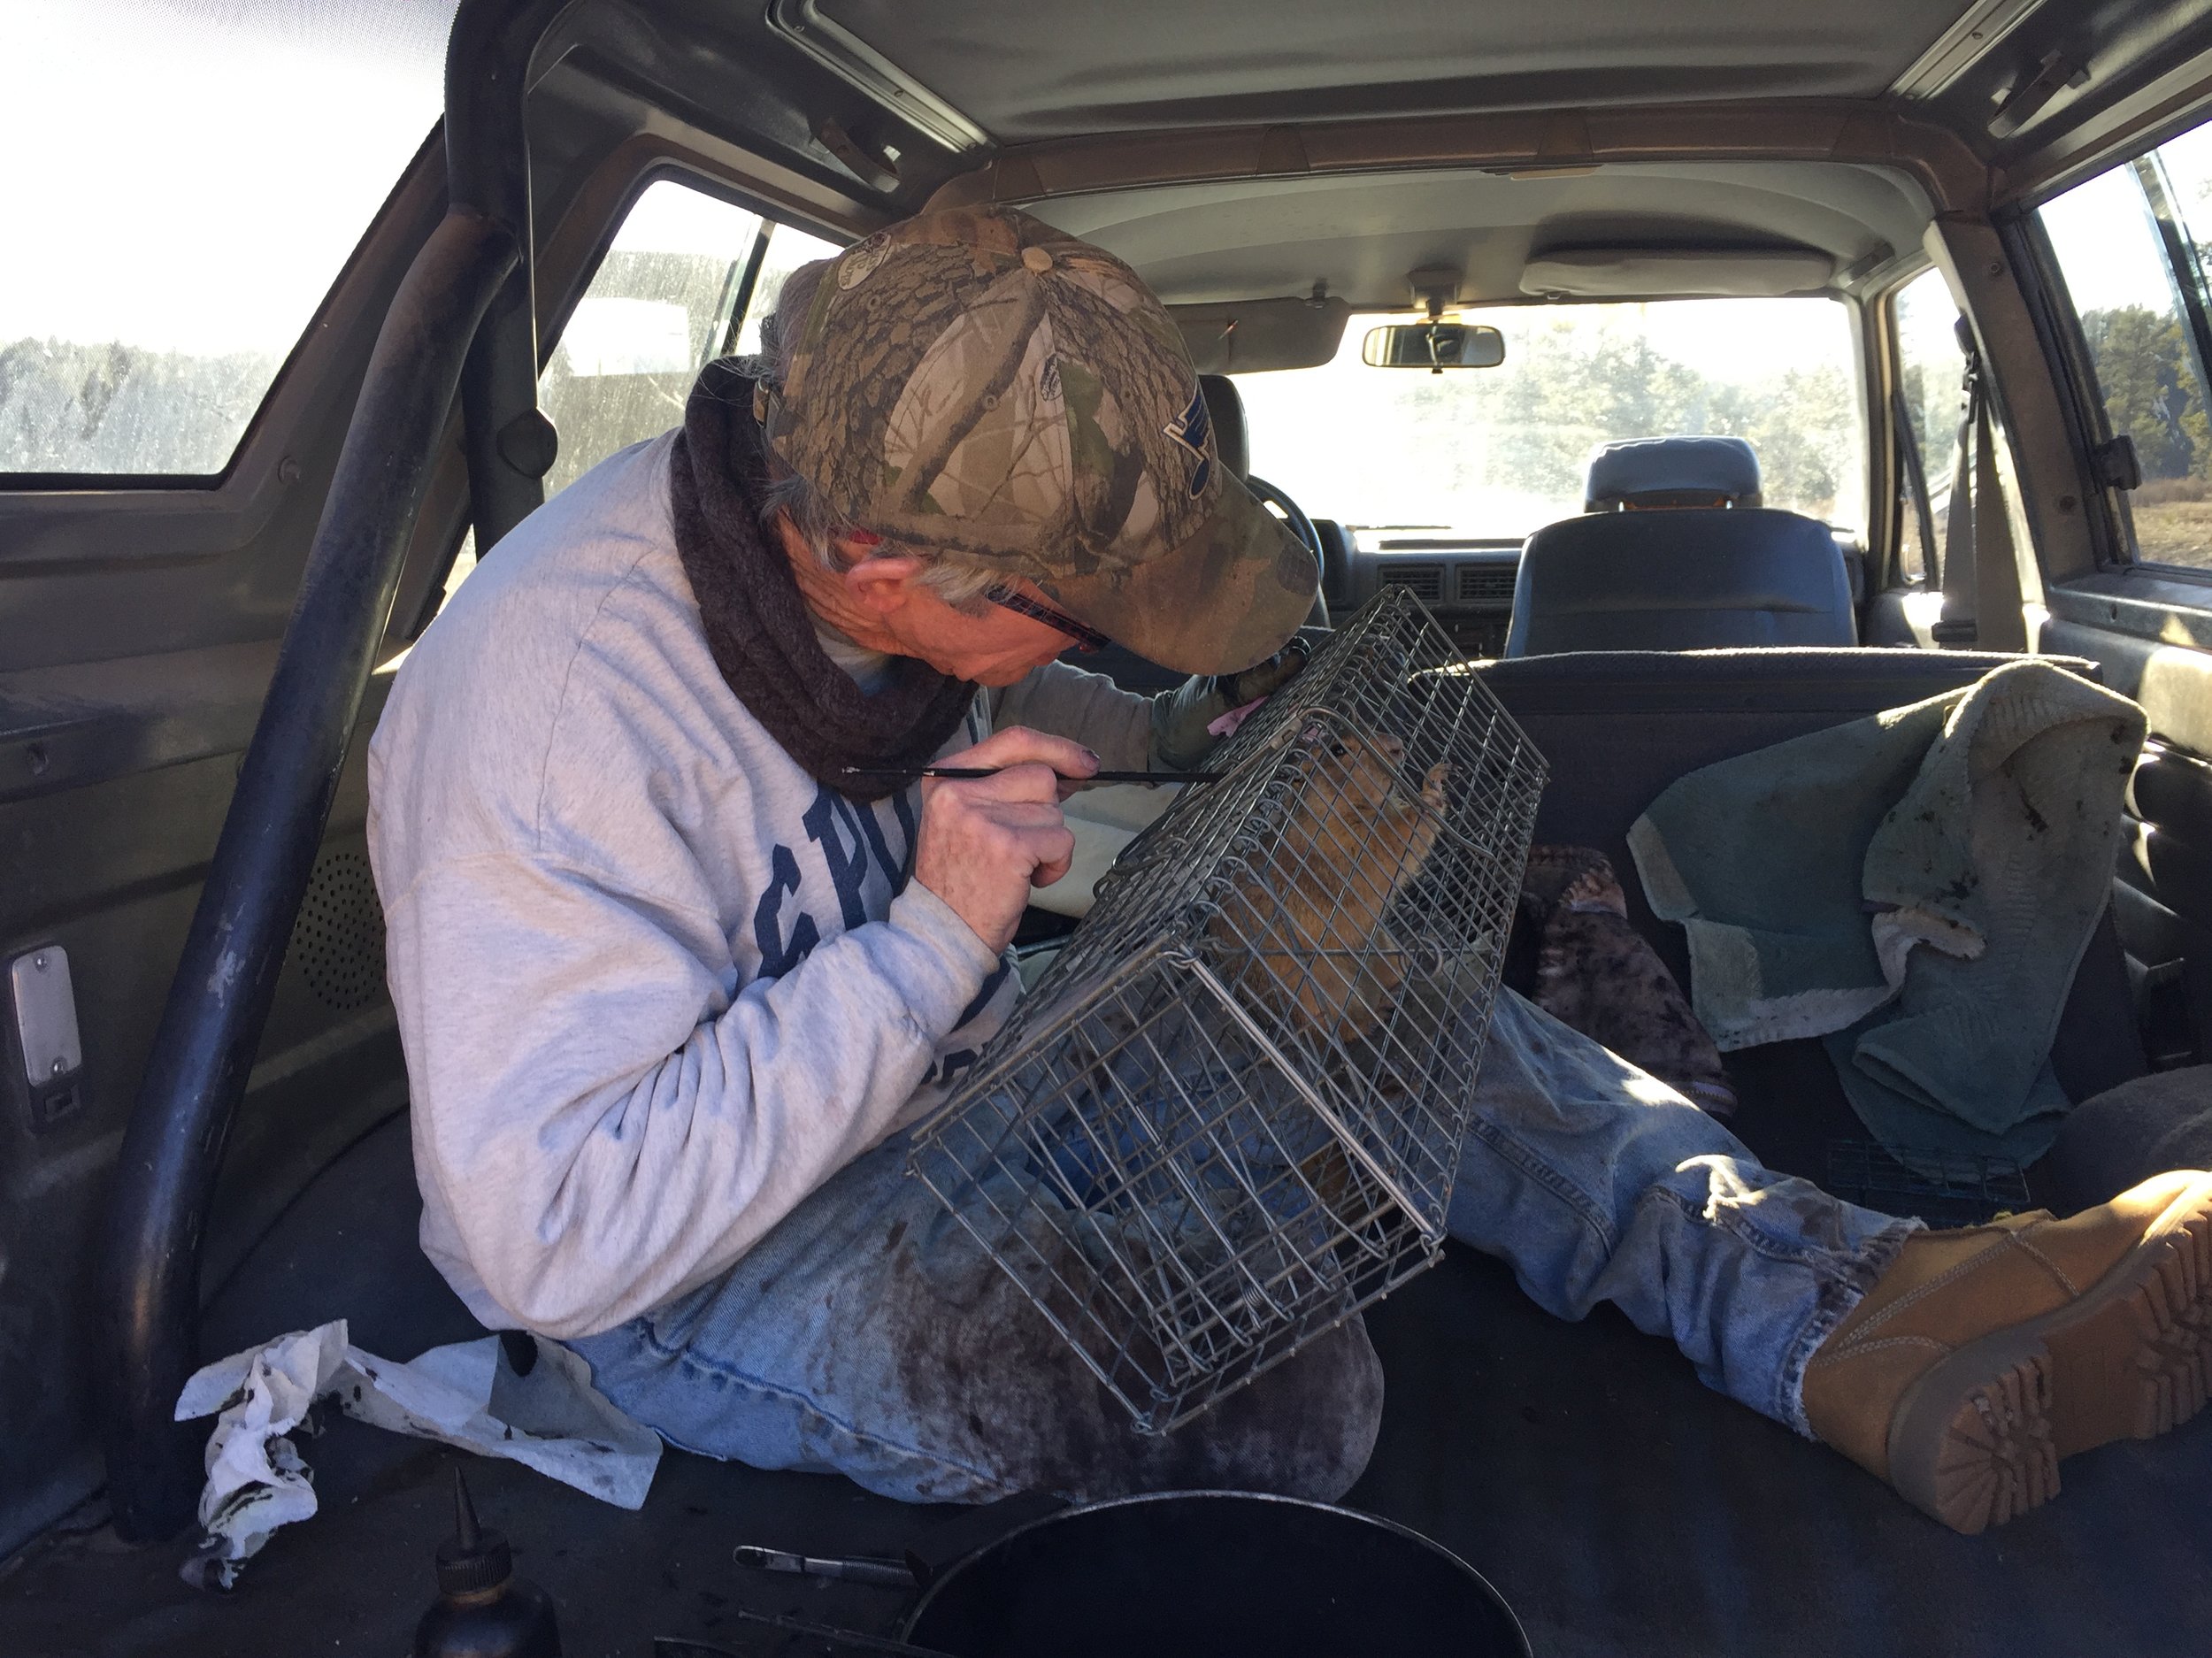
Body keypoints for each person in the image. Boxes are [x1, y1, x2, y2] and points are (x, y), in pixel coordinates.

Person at [368, 205, 2212, 1537]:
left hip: (926, 1084)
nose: (1113, 648)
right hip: (682, 1277)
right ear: (879, 561)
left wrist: (1194, 751)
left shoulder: (847, 543)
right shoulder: (549, 718)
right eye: (1075, 615)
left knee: (1408, 1018)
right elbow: (554, 1231)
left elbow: (987, 692)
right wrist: (932, 937)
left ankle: (1856, 1312)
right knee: (1285, 1394)